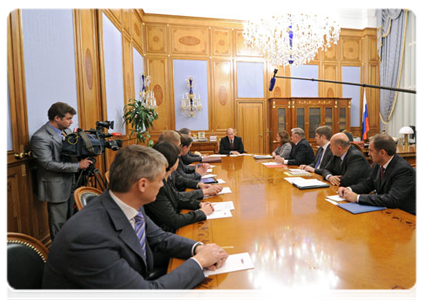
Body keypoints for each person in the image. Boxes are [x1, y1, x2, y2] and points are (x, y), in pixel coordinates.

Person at [39, 145, 228, 300]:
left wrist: (199, 248)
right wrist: (199, 261)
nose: (163, 185)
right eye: (161, 180)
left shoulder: (126, 204)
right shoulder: (88, 236)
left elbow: (160, 238)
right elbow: (146, 296)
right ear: (142, 184)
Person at [30, 102, 92, 240]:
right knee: (58, 223)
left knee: (72, 219)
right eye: (69, 118)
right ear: (57, 118)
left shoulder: (67, 132)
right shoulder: (40, 137)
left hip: (71, 181)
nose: (71, 122)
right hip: (55, 185)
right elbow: (48, 164)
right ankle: (59, 256)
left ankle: (71, 249)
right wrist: (77, 167)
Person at [338, 134, 420, 217]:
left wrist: (357, 198)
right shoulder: (378, 164)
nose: (369, 154)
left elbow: (392, 199)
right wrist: (348, 189)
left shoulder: (403, 169)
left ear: (382, 152)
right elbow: (368, 184)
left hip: (405, 215)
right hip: (386, 210)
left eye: (371, 151)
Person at [145, 142, 214, 233]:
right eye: (177, 158)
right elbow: (174, 221)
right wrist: (201, 213)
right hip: (167, 233)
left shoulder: (166, 178)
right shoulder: (157, 185)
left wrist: (198, 204)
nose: (179, 160)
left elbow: (177, 198)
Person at [158, 130, 222, 198]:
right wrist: (204, 192)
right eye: (179, 145)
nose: (181, 148)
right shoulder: (160, 169)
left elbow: (179, 179)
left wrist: (199, 184)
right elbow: (175, 197)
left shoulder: (170, 162)